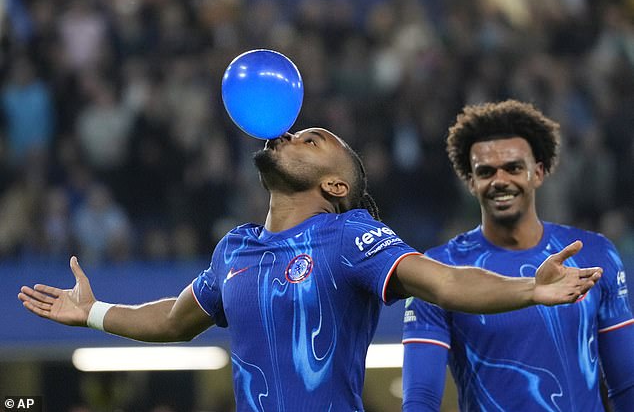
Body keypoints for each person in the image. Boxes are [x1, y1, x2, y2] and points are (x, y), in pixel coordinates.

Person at [19, 128, 601, 411]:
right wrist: (92, 312)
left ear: (335, 185)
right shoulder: (234, 248)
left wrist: (529, 287)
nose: (294, 132)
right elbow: (173, 322)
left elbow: (443, 280)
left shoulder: (349, 236)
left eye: (314, 139)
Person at [402, 100, 634, 411]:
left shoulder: (595, 254)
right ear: (471, 181)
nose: (500, 180)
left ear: (537, 172)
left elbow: (627, 383)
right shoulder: (438, 271)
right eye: (486, 171)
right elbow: (421, 400)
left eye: (513, 168)